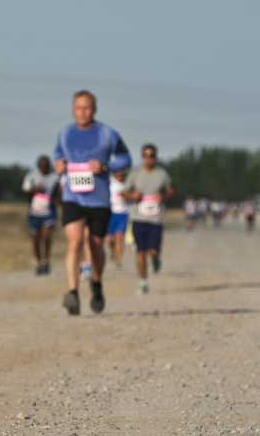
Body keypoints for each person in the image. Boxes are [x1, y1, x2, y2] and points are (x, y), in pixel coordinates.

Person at [53, 90, 131, 315]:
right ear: (72, 109)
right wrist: (58, 164)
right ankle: (73, 293)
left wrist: (106, 167)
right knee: (74, 242)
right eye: (78, 107)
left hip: (99, 199)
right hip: (73, 197)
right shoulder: (65, 133)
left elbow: (125, 158)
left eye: (87, 107)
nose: (82, 112)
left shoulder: (107, 134)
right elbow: (57, 156)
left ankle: (96, 284)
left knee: (96, 246)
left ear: (94, 110)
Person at [123, 144, 173, 294]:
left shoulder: (162, 174)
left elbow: (171, 191)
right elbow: (124, 192)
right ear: (142, 157)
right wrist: (133, 196)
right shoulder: (135, 173)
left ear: (155, 157)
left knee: (153, 250)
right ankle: (143, 281)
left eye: (151, 155)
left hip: (156, 219)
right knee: (140, 252)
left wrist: (163, 196)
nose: (149, 158)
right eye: (146, 155)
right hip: (138, 217)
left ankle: (156, 259)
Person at [22, 155, 60, 275]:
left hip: (49, 212)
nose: (44, 168)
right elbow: (25, 191)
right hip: (34, 212)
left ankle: (46, 261)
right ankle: (39, 263)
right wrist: (35, 189)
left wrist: (57, 200)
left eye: (46, 166)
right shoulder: (31, 176)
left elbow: (59, 192)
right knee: (36, 239)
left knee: (47, 236)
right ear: (38, 166)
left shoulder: (54, 177)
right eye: (42, 166)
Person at [106, 170, 129, 268]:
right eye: (118, 172)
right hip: (111, 213)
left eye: (121, 172)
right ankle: (112, 250)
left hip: (123, 214)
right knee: (110, 239)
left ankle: (118, 259)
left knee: (120, 237)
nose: (120, 174)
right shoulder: (110, 182)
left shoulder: (127, 184)